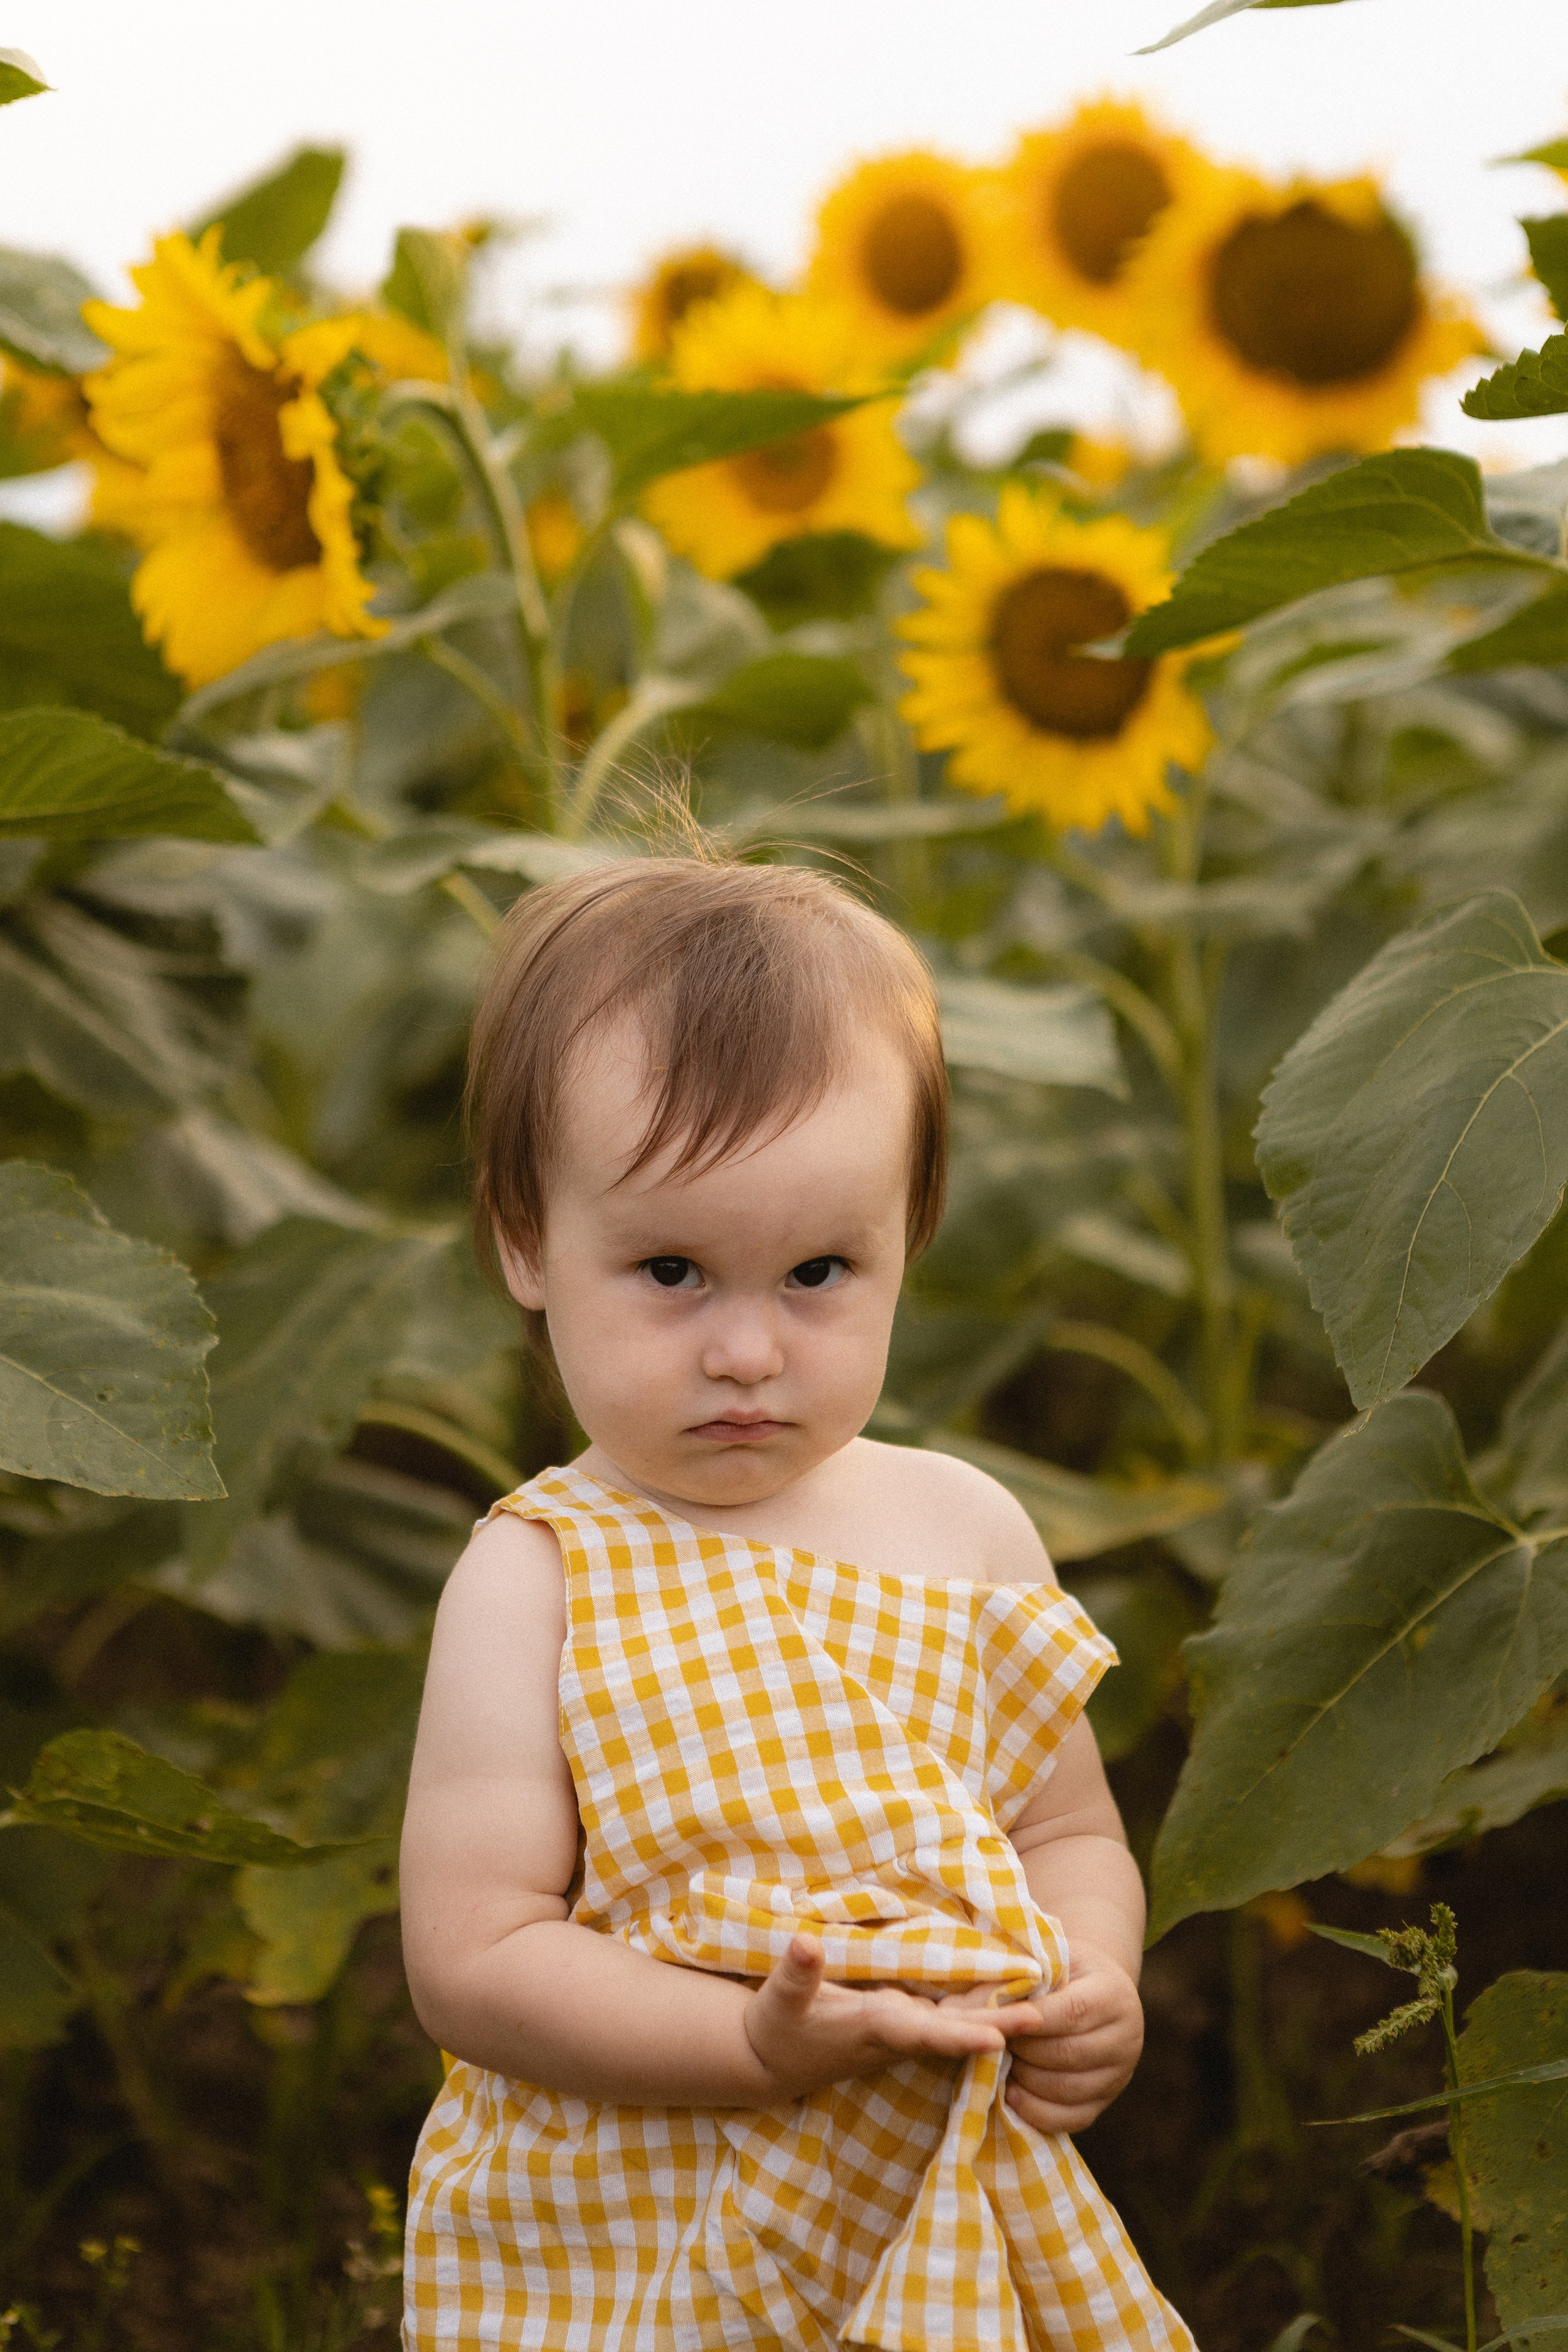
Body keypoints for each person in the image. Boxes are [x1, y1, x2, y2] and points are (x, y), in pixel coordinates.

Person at [399, 856, 1193, 2351]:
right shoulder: (537, 1575)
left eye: (818, 1270)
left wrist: (1096, 1976)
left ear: (907, 1234)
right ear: (526, 1240)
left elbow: (1062, 1830)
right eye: (673, 1271)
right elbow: (476, 1958)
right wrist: (747, 2044)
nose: (749, 1351)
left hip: (939, 2207)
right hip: (646, 2217)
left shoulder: (966, 1528)